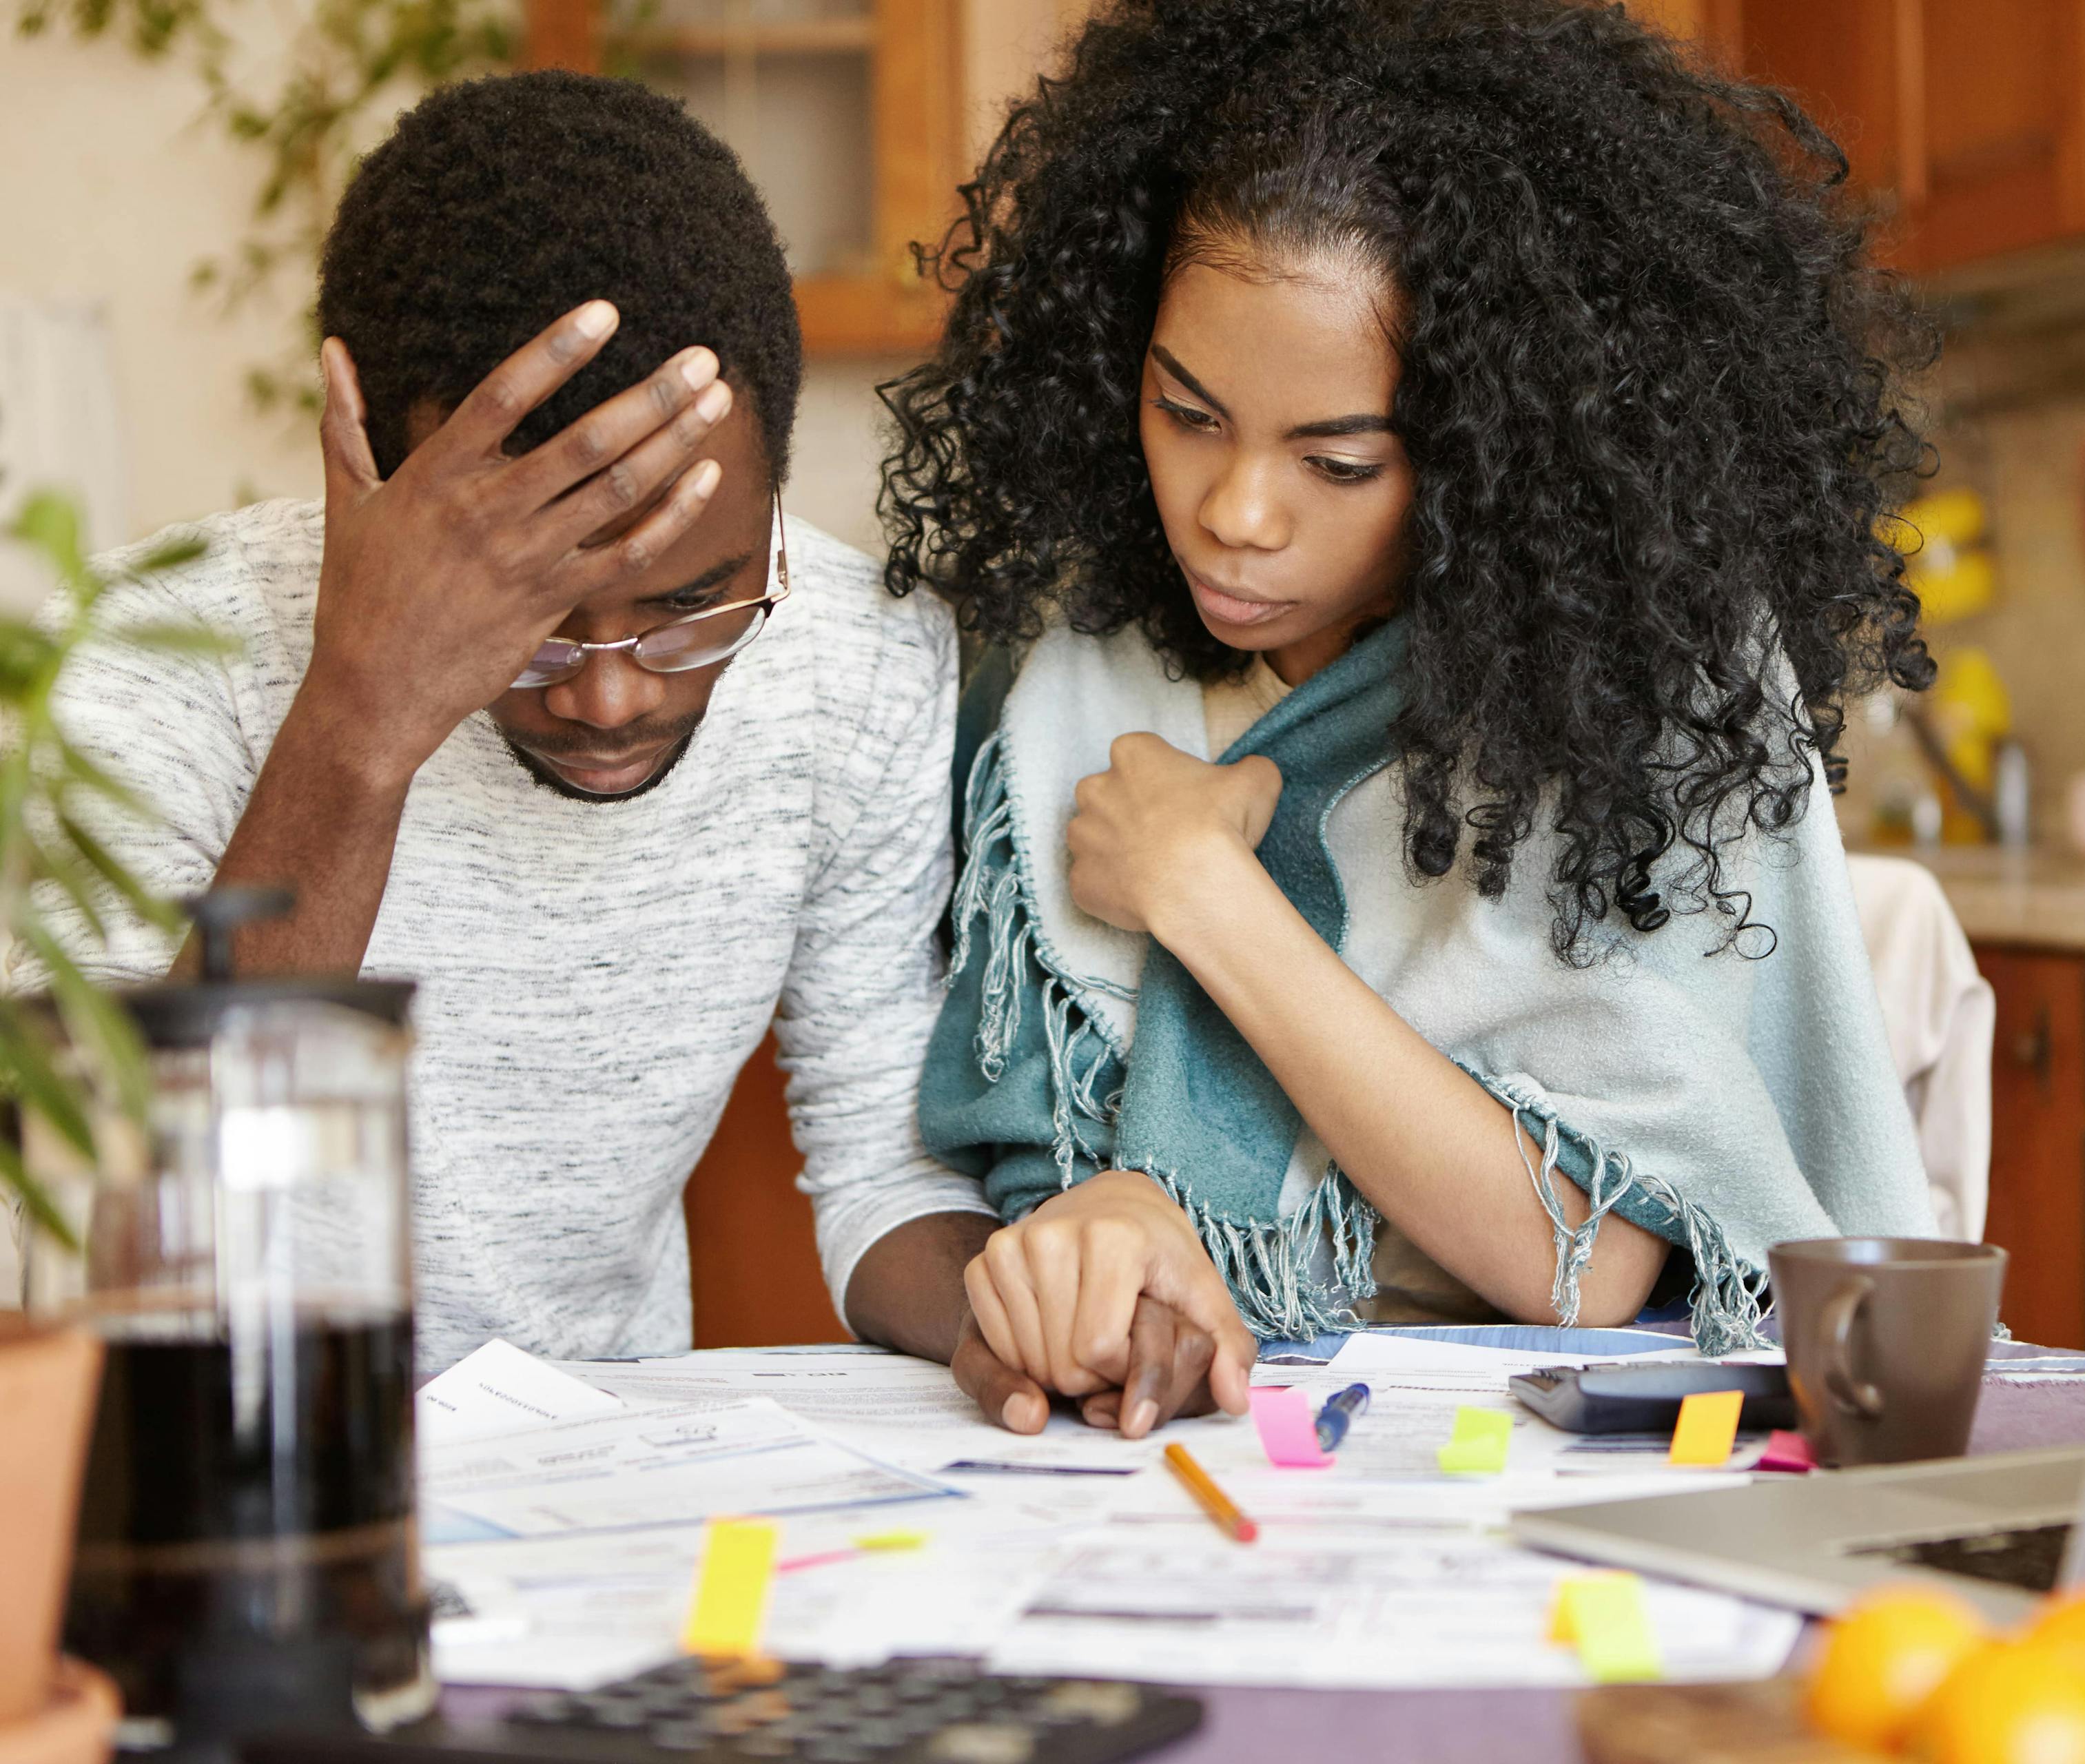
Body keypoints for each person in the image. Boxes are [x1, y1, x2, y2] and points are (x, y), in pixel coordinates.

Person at [887, 0, 1942, 1436]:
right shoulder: (1068, 686)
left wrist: (1208, 893)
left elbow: (1580, 1256)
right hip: (1192, 1453)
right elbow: (993, 1180)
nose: (1232, 514)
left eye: (1335, 461)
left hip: (1542, 1460)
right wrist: (1097, 1243)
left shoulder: (1636, 693)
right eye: (1186, 412)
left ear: (1492, 451)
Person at [22, 72, 997, 1373]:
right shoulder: (152, 656)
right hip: (212, 1480)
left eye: (695, 604)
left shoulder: (861, 661)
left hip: (599, 1496)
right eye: (528, 622)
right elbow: (120, 1226)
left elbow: (881, 1159)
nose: (610, 696)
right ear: (366, 467)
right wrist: (360, 715)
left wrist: (1024, 1328)